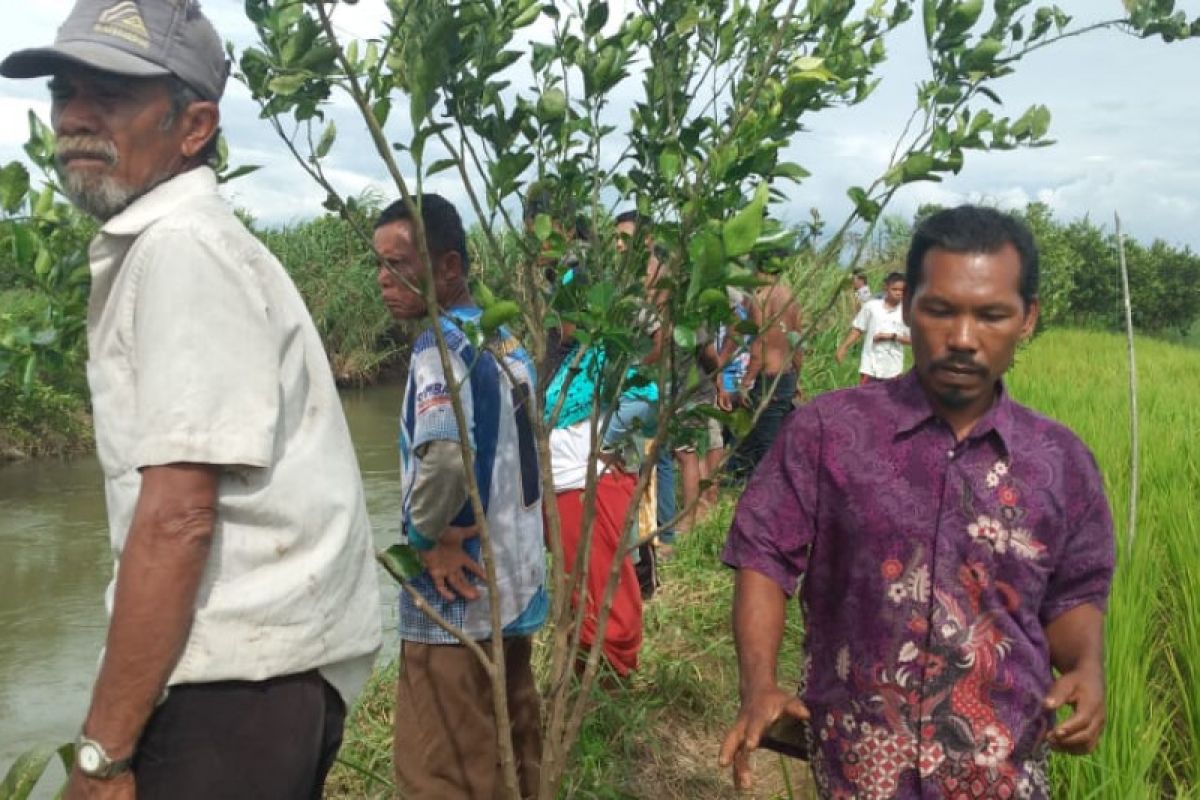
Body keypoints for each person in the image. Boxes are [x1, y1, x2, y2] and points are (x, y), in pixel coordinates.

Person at [0, 3, 383, 797]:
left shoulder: (181, 250)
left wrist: (102, 756)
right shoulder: (185, 242)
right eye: (64, 91)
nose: (73, 117)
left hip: (233, 693)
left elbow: (177, 517)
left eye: (107, 94)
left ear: (194, 124)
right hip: (264, 685)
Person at [719, 205, 1115, 798]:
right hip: (859, 765)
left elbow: (1074, 594)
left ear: (1027, 318)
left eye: (991, 315)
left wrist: (1086, 668)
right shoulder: (830, 431)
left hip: (1003, 767)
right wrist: (759, 685)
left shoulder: (1061, 462)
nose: (962, 338)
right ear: (907, 308)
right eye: (940, 310)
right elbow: (763, 555)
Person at [374, 194, 547, 799]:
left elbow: (447, 457)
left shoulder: (438, 349)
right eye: (378, 266)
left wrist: (426, 538)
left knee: (439, 769)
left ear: (448, 267)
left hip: (458, 605)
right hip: (514, 592)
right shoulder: (507, 344)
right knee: (513, 750)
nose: (383, 282)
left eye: (397, 265)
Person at [725, 253, 803, 480]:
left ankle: (769, 491)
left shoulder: (760, 298)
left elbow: (759, 345)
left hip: (767, 376)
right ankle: (740, 483)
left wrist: (746, 382)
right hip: (785, 375)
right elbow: (797, 342)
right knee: (759, 437)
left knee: (764, 441)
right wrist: (797, 377)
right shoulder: (790, 297)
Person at [836, 271, 910, 383]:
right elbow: (858, 329)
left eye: (902, 290)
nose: (899, 293)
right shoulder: (871, 306)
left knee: (889, 400)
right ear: (886, 288)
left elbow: (912, 340)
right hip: (870, 366)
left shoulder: (907, 312)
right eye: (894, 289)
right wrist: (844, 347)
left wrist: (891, 337)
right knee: (866, 398)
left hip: (893, 369)